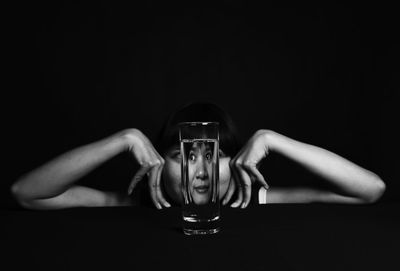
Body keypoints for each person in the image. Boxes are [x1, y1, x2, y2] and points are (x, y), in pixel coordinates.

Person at [11, 102, 386, 210]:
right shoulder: (130, 203)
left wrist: (273, 140)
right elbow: (26, 192)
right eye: (182, 154)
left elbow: (371, 189)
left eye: (216, 154)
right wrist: (122, 140)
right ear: (156, 163)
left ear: (237, 162)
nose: (200, 169)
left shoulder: (255, 200)